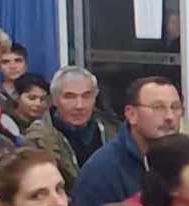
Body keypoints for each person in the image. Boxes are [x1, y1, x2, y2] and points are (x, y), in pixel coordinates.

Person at [70, 76, 183, 206]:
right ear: (131, 114)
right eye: (158, 107)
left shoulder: (186, 159)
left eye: (175, 107)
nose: (170, 117)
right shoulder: (102, 171)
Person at [22, 64, 119, 192]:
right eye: (69, 97)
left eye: (86, 96)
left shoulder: (114, 132)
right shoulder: (37, 140)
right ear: (55, 100)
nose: (79, 105)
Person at [0, 42, 29, 107]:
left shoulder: (41, 94)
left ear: (26, 65)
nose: (12, 66)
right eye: (5, 62)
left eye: (18, 60)